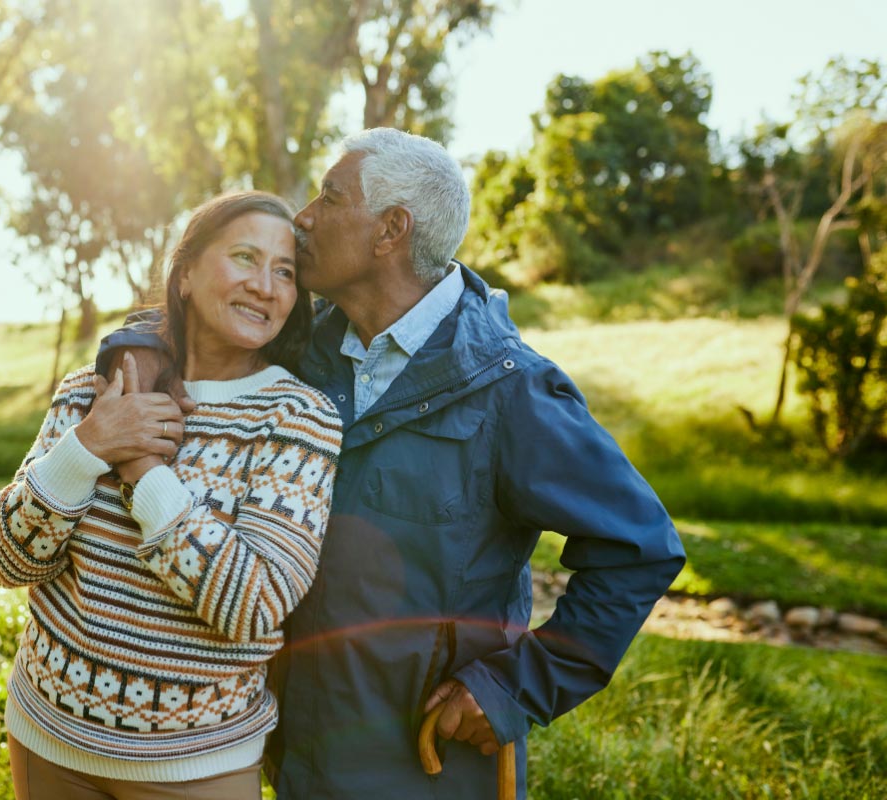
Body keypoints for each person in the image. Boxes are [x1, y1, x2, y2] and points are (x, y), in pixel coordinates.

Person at [100, 128, 686, 799]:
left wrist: (514, 689)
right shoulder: (303, 349)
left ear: (390, 231)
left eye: (330, 197)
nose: (305, 218)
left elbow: (638, 548)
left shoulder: (510, 389)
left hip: (424, 759)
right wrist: (134, 353)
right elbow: (192, 312)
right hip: (291, 746)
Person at [0, 191, 344, 800]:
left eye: (285, 271)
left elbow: (253, 604)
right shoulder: (92, 393)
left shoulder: (298, 419)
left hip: (195, 766)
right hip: (47, 735)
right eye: (245, 257)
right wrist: (89, 444)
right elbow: (6, 558)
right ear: (185, 276)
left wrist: (145, 470)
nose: (265, 285)